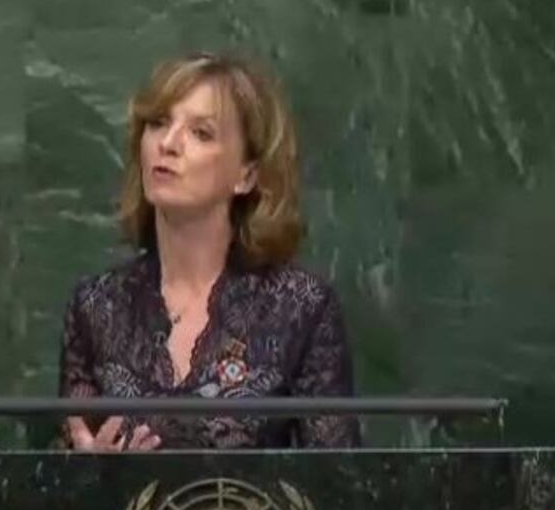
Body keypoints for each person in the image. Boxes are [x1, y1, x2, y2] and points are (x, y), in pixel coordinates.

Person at [58, 52, 360, 450]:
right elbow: (55, 483)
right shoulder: (97, 306)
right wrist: (88, 478)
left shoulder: (302, 308)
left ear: (246, 175)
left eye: (201, 133)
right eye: (158, 123)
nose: (167, 144)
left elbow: (338, 489)